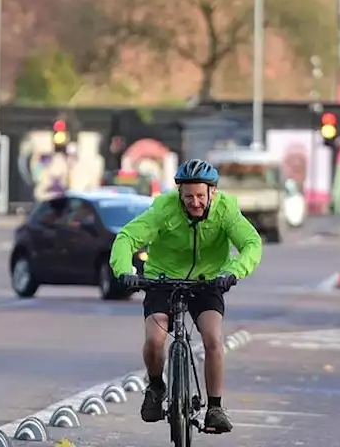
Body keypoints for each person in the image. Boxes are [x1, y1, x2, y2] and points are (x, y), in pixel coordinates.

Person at [109, 158, 263, 434]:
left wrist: (233, 272)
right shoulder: (163, 209)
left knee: (213, 339)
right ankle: (156, 387)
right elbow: (126, 238)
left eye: (201, 196)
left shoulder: (226, 210)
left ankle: (215, 407)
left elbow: (251, 243)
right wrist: (125, 270)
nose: (194, 202)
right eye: (188, 196)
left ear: (212, 192)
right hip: (162, 280)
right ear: (179, 193)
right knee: (155, 339)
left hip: (208, 282)